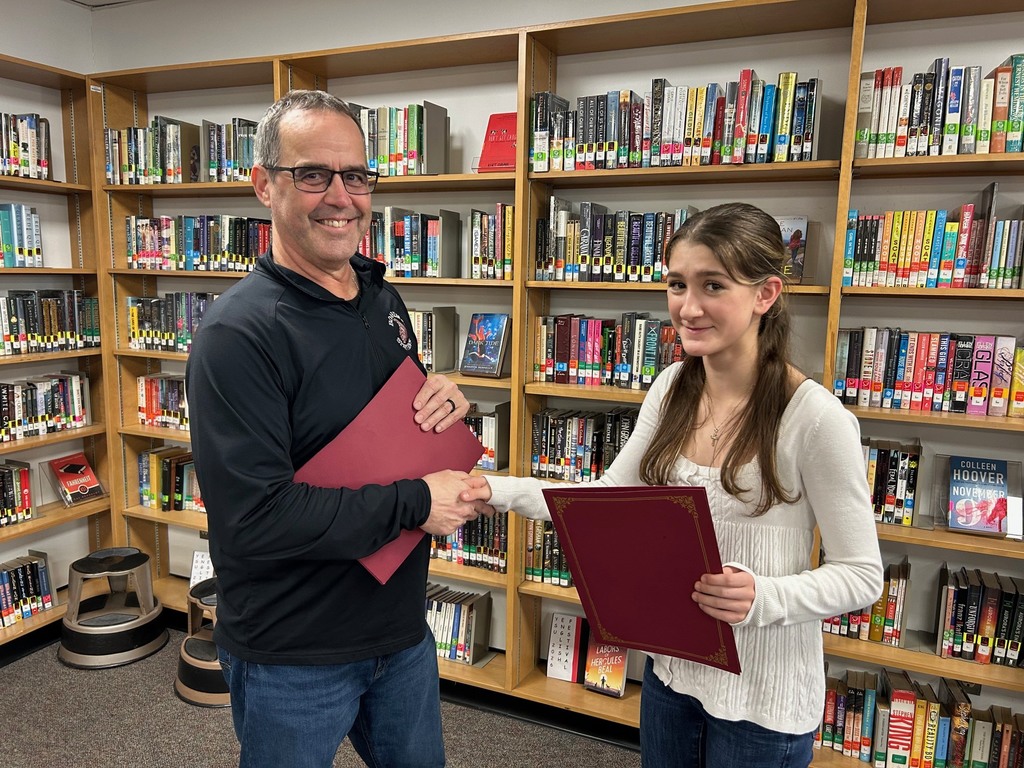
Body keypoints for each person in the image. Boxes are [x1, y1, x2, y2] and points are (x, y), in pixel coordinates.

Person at [461, 202, 884, 767]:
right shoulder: (671, 389)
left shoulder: (815, 419)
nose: (688, 307)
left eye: (713, 285)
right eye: (676, 284)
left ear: (766, 294)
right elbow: (609, 498)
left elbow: (862, 577)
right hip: (675, 674)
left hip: (763, 698)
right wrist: (494, 490)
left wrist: (766, 596)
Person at [185, 90, 491, 768]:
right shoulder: (239, 335)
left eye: (355, 176)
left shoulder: (382, 297)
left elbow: (379, 420)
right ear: (264, 184)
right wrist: (419, 500)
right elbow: (256, 519)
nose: (340, 197)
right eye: (313, 174)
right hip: (294, 654)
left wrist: (440, 397)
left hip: (399, 633)